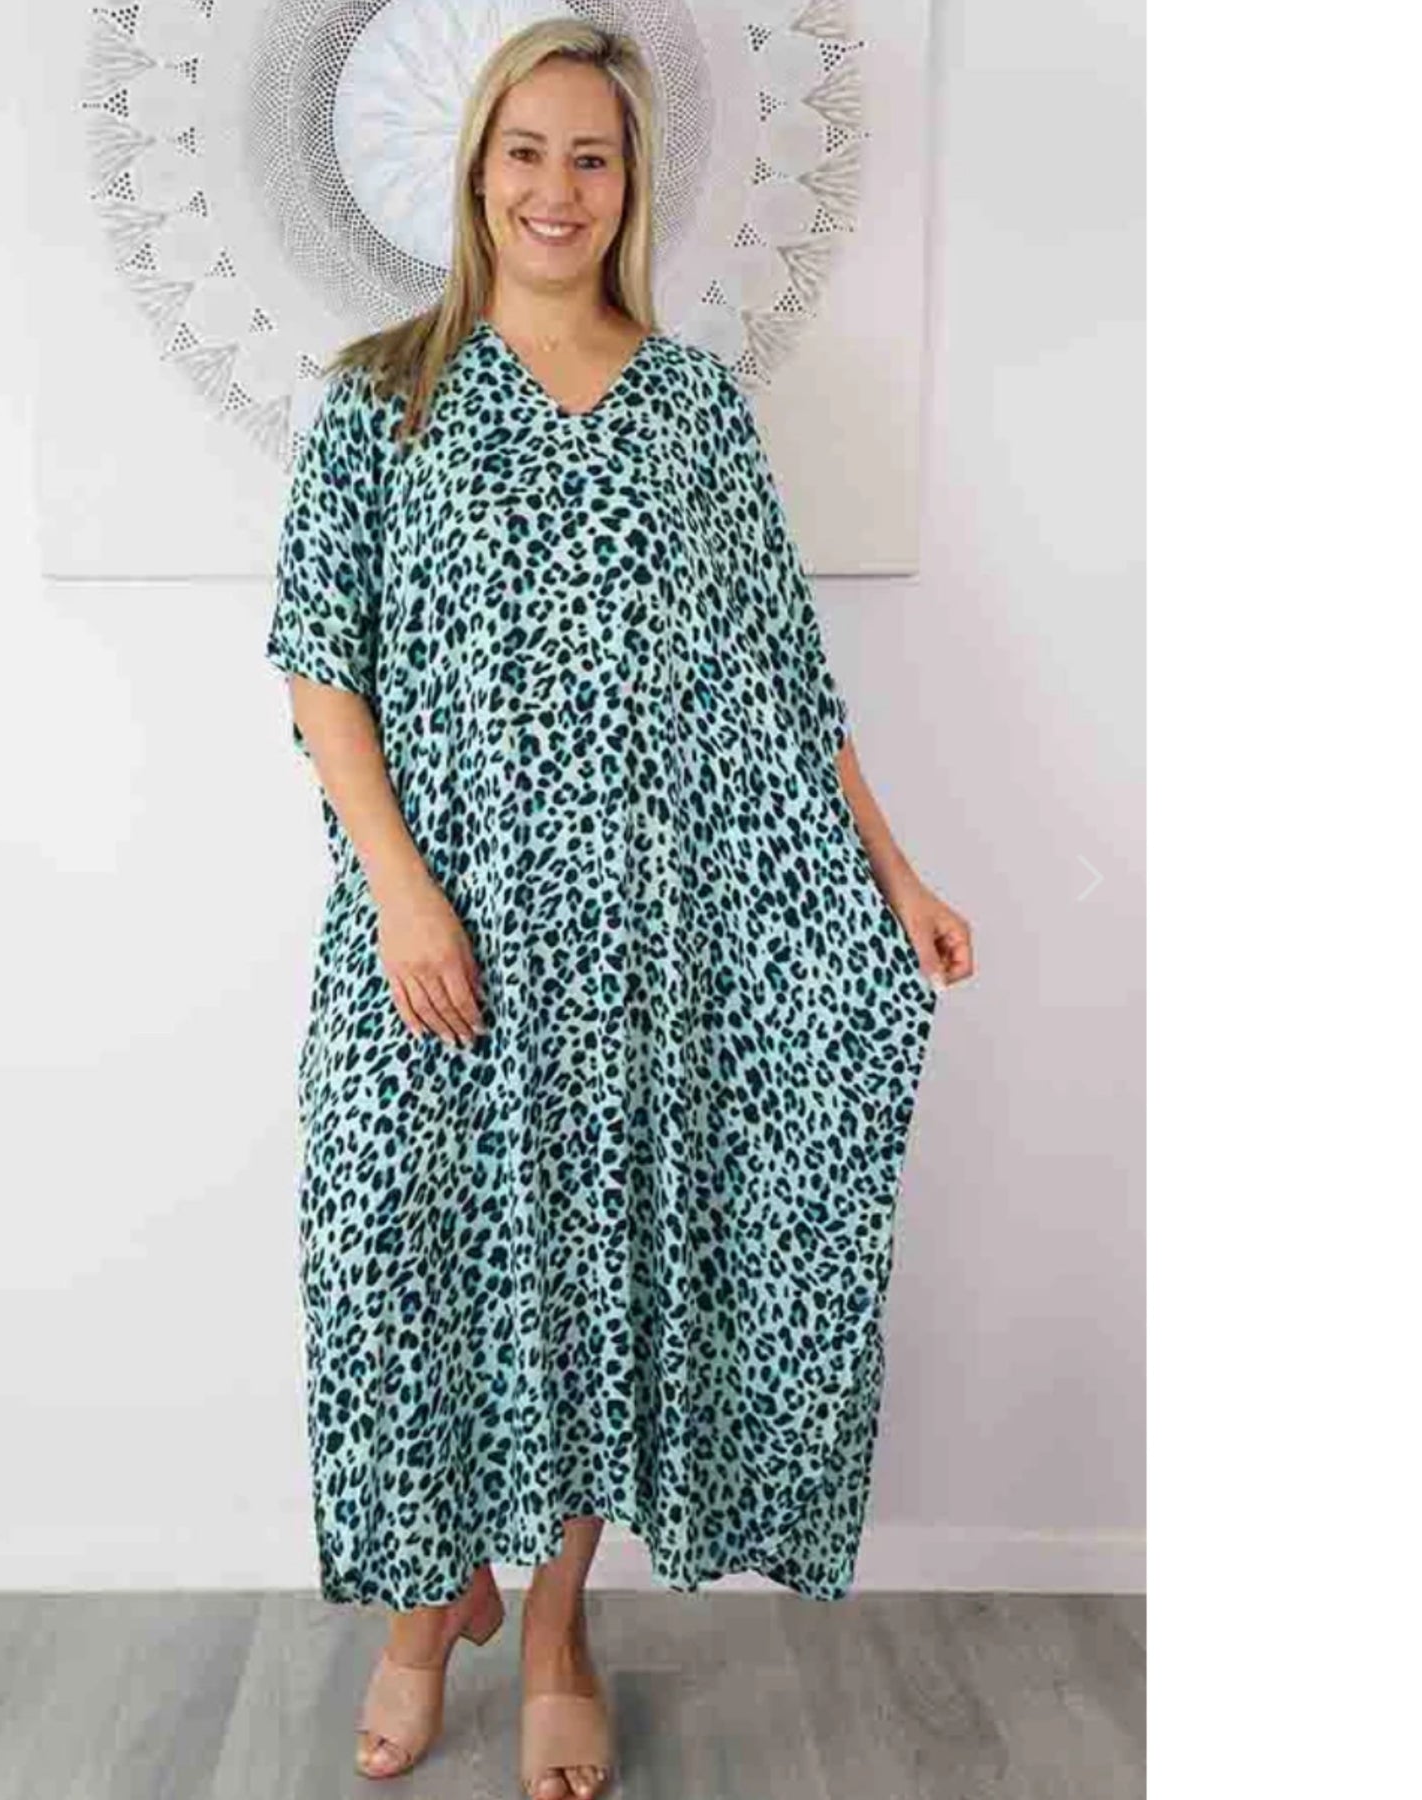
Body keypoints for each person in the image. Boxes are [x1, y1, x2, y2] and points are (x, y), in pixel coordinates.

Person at [264, 20, 974, 1800]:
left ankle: (557, 1623)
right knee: (398, 1263)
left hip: (643, 958)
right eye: (528, 152)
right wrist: (404, 896)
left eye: (593, 156)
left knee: (596, 1289)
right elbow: (320, 671)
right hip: (433, 945)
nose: (557, 189)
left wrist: (892, 874)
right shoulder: (382, 396)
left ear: (630, 183)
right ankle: (429, 1602)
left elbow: (782, 680)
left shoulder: (694, 408)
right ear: (476, 170)